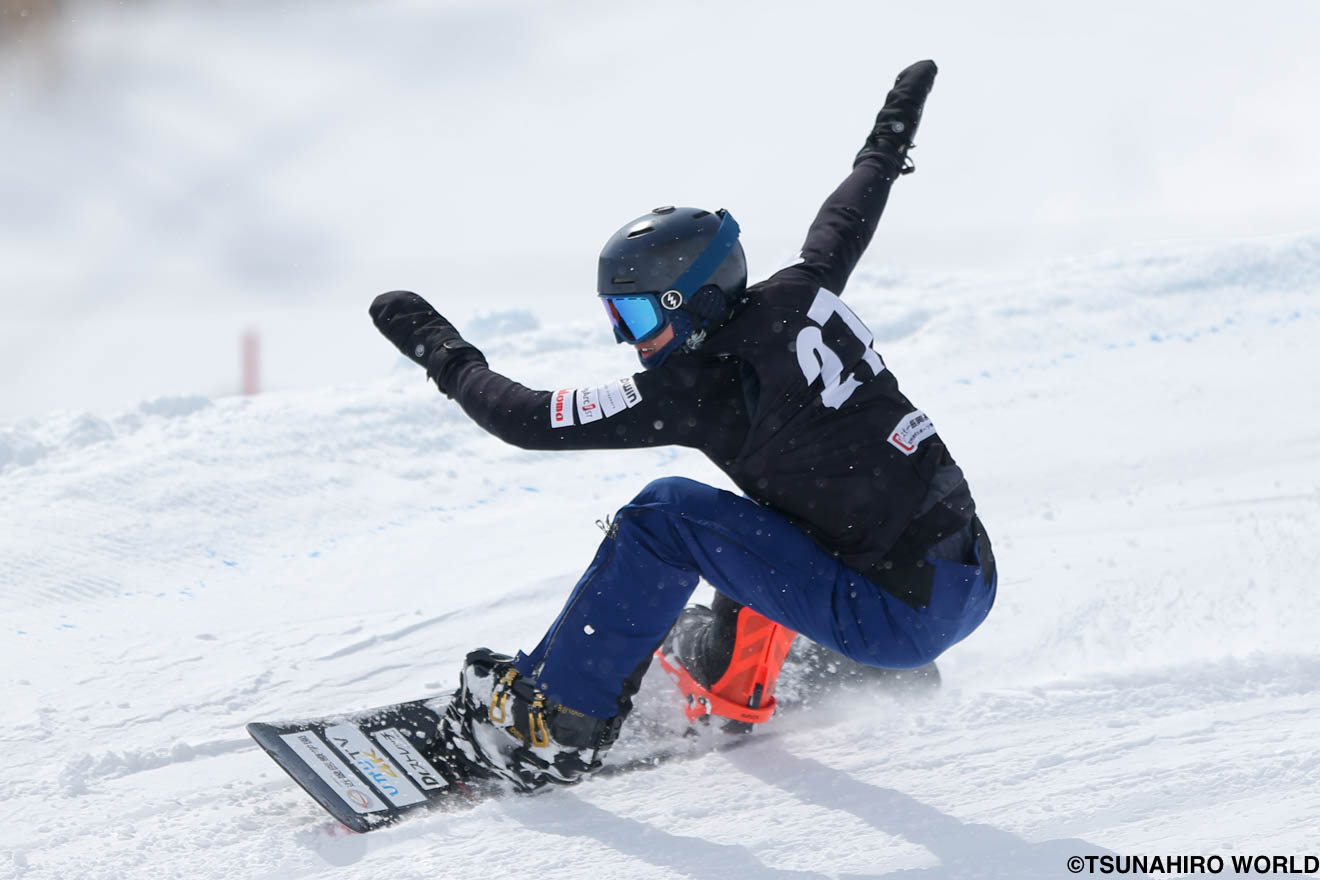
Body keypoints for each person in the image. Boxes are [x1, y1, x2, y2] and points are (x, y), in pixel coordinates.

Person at [369, 59, 996, 793]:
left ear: (690, 300)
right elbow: (842, 223)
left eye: (635, 315)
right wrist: (883, 148)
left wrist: (444, 353)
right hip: (966, 578)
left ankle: (555, 722)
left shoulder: (704, 387)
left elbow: (527, 420)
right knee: (767, 511)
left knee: (665, 516)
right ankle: (803, 664)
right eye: (615, 316)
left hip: (893, 618)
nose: (627, 339)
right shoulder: (799, 291)